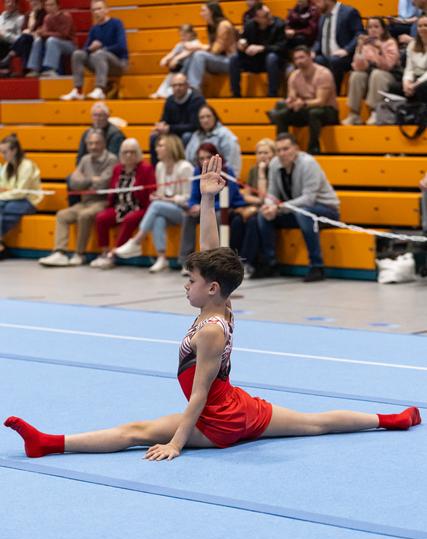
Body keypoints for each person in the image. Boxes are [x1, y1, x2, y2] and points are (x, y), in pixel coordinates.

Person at [3, 154, 421, 461]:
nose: (187, 286)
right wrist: (207, 200)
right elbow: (212, 251)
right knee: (316, 423)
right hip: (239, 406)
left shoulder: (210, 329)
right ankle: (393, 419)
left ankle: (49, 443)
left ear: (212, 287)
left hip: (219, 419)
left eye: (192, 282)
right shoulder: (220, 305)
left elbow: (199, 395)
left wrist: (176, 444)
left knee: (137, 431)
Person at [254, 132, 340, 282]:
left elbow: (308, 199)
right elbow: (271, 193)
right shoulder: (274, 164)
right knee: (263, 215)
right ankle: (271, 263)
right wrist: (269, 207)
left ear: (296, 149)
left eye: (286, 149)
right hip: (296, 209)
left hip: (325, 210)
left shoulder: (308, 163)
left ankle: (316, 266)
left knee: (304, 214)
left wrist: (279, 208)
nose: (282, 153)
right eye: (279, 150)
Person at [113, 134, 194, 273]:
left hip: (185, 209)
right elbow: (161, 191)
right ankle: (162, 258)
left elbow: (188, 197)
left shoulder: (185, 167)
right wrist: (157, 196)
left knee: (156, 206)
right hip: (167, 208)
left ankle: (136, 242)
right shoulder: (160, 166)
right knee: (158, 218)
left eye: (161, 145)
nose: (157, 149)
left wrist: (167, 199)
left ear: (171, 147)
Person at [38, 129, 117, 267]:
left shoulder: (111, 159)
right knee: (62, 215)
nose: (93, 147)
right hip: (84, 201)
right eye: (90, 143)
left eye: (97, 143)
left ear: (104, 143)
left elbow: (103, 184)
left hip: (103, 201)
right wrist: (91, 180)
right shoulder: (85, 160)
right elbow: (73, 182)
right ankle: (60, 252)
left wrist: (84, 182)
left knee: (84, 215)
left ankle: (79, 254)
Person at [89, 138, 155, 269]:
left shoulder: (146, 169)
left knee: (130, 219)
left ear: (138, 153)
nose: (129, 155)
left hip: (139, 207)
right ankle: (105, 251)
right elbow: (113, 191)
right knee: (101, 218)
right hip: (119, 206)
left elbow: (150, 193)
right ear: (121, 154)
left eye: (132, 152)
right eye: (125, 152)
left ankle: (114, 255)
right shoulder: (117, 169)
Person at [179, 142, 246, 271]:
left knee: (219, 215)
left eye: (208, 157)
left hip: (227, 208)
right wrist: (194, 206)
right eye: (201, 158)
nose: (204, 161)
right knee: (188, 217)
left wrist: (205, 206)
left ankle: (216, 260)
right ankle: (185, 261)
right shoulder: (198, 171)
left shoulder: (227, 170)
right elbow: (193, 196)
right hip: (205, 206)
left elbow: (228, 199)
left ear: (216, 156)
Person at [267, 45, 338, 155]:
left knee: (314, 113)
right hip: (304, 109)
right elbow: (292, 96)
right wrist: (290, 102)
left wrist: (303, 103)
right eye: (296, 59)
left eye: (302, 57)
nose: (299, 61)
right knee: (281, 116)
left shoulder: (323, 73)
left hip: (327, 111)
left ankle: (314, 148)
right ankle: (282, 148)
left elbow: (321, 101)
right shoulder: (294, 76)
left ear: (310, 57)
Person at [60, 0, 128, 101]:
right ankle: (77, 90)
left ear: (106, 10)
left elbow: (122, 46)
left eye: (99, 9)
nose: (96, 12)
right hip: (99, 62)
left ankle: (100, 89)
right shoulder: (94, 29)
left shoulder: (116, 23)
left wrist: (103, 48)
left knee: (100, 53)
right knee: (78, 54)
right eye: (94, 10)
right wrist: (90, 49)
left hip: (118, 63)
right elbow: (86, 50)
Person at [342, 17, 401, 126]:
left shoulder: (390, 42)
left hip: (389, 75)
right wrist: (359, 48)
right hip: (370, 75)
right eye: (370, 27)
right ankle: (354, 114)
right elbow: (357, 66)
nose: (373, 30)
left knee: (377, 74)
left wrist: (380, 49)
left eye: (376, 27)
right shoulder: (365, 44)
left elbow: (388, 65)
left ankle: (375, 112)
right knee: (356, 75)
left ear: (383, 29)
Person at [232, 138, 276, 278]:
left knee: (252, 221)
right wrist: (256, 203)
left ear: (273, 154)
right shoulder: (253, 170)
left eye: (266, 152)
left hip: (271, 208)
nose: (262, 156)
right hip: (257, 206)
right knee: (237, 220)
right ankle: (233, 261)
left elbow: (265, 197)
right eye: (259, 153)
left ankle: (246, 262)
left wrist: (262, 172)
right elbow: (246, 195)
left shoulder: (275, 170)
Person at [229, 3, 287, 98]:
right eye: (265, 16)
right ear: (256, 19)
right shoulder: (249, 26)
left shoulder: (279, 24)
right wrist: (242, 46)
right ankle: (235, 94)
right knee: (234, 58)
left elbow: (282, 47)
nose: (270, 16)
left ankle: (272, 94)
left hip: (272, 61)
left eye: (269, 13)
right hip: (254, 60)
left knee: (271, 58)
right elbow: (243, 41)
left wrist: (262, 48)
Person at [0, 134, 42, 260]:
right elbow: (2, 185)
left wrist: (2, 195)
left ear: (14, 150)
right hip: (9, 198)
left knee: (8, 209)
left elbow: (21, 192)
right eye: (1, 152)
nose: (2, 155)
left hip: (28, 200)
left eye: (4, 152)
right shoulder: (6, 166)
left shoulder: (27, 166)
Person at [149, 72, 205, 166]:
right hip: (174, 133)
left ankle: (184, 167)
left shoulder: (197, 100)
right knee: (154, 137)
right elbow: (164, 119)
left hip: (194, 133)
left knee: (187, 136)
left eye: (180, 85)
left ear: (187, 86)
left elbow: (194, 125)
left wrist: (170, 128)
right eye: (174, 85)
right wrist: (160, 126)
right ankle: (156, 170)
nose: (177, 88)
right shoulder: (170, 100)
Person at [181, 2, 237, 92]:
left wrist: (198, 46)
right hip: (219, 59)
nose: (200, 14)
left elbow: (216, 50)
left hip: (231, 62)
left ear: (211, 12)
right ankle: (182, 86)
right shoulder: (210, 25)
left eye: (203, 11)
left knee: (199, 55)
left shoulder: (224, 25)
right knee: (191, 55)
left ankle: (194, 89)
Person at [312, 0, 363, 93]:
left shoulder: (349, 12)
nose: (314, 6)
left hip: (345, 57)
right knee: (314, 60)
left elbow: (359, 35)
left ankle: (334, 94)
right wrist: (313, 51)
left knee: (335, 61)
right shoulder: (323, 15)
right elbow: (319, 39)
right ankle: (318, 96)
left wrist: (346, 50)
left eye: (317, 2)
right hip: (325, 56)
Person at [185, 104, 242, 177]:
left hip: (220, 179)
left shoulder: (226, 135)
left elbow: (233, 164)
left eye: (208, 116)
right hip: (198, 178)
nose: (205, 120)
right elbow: (188, 159)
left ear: (215, 117)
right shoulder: (196, 136)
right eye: (202, 117)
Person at [149, 24, 202, 99]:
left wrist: (176, 58)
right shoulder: (180, 44)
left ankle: (167, 93)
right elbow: (172, 53)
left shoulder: (196, 43)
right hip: (180, 69)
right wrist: (165, 59)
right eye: (180, 36)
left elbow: (188, 52)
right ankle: (160, 92)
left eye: (184, 35)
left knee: (177, 78)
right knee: (170, 76)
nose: (182, 38)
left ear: (191, 34)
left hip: (189, 69)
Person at [25, 0, 75, 78]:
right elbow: (45, 31)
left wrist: (45, 33)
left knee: (51, 40)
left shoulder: (66, 16)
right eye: (47, 5)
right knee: (38, 40)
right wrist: (40, 33)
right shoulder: (47, 18)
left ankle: (51, 69)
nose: (49, 8)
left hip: (69, 44)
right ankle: (34, 68)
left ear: (58, 6)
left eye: (52, 5)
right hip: (53, 42)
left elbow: (64, 34)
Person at [2, 0, 46, 74]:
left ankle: (11, 54)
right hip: (27, 37)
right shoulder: (28, 14)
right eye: (32, 2)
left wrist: (36, 13)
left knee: (25, 38)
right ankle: (24, 68)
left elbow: (39, 26)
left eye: (36, 2)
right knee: (25, 40)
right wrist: (27, 30)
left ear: (41, 3)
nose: (33, 4)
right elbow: (23, 28)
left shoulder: (43, 13)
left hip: (39, 36)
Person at [403, 13, 427, 101]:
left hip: (424, 79)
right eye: (420, 26)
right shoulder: (412, 44)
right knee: (394, 86)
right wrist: (406, 82)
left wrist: (415, 84)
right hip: (416, 77)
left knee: (422, 88)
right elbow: (409, 68)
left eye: (425, 25)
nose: (422, 28)